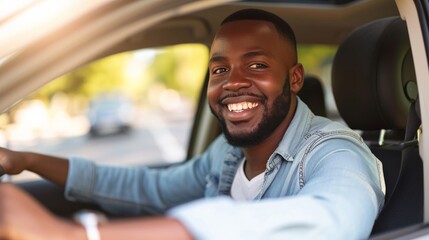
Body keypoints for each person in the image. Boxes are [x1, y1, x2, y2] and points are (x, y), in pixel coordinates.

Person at [0, 8, 385, 240]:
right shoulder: (227, 153)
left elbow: (331, 221)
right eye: (220, 69)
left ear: (295, 78)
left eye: (256, 65)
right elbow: (148, 189)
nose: (233, 82)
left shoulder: (338, 151)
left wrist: (77, 235)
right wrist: (27, 161)